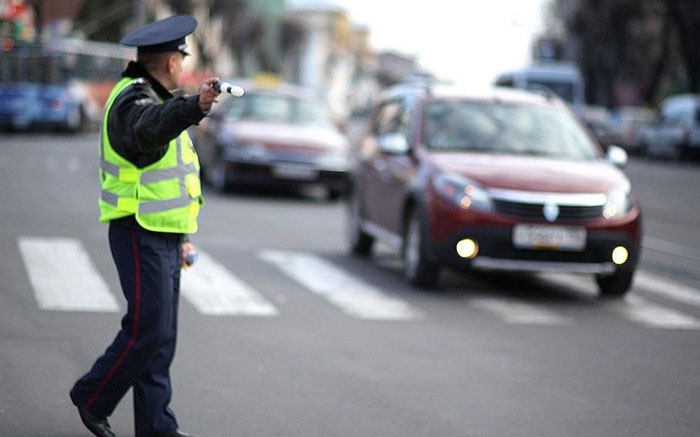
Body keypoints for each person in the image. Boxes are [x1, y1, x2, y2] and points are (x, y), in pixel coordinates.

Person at [69, 15, 222, 437]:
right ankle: (92, 394)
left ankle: (157, 429)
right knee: (147, 330)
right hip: (138, 231)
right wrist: (194, 106)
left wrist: (184, 239)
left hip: (164, 233)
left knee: (160, 338)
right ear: (172, 62)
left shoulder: (152, 97)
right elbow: (148, 132)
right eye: (180, 56)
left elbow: (173, 177)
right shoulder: (132, 101)